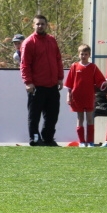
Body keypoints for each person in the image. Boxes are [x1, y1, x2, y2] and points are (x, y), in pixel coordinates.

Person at [19, 15, 63, 146]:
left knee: (52, 115)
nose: (40, 26)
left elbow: (58, 60)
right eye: (38, 24)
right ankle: (35, 138)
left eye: (43, 24)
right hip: (36, 86)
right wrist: (28, 82)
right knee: (34, 116)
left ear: (46, 25)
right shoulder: (28, 42)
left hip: (52, 85)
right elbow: (24, 64)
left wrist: (60, 78)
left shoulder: (52, 40)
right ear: (33, 25)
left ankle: (48, 138)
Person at [64, 44, 107, 147]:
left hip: (89, 96)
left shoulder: (93, 67)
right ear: (78, 55)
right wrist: (68, 95)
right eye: (81, 54)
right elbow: (69, 83)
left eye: (86, 54)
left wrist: (105, 83)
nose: (83, 56)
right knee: (80, 118)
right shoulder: (74, 66)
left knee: (90, 118)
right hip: (77, 97)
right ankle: (82, 142)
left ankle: (90, 142)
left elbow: (100, 80)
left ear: (89, 55)